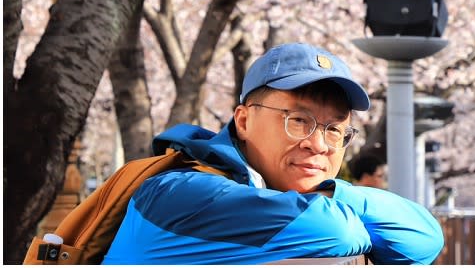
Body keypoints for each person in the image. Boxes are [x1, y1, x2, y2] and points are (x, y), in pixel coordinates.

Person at [102, 42, 444, 264]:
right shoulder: (175, 193)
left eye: (334, 130)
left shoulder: (287, 195)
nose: (319, 144)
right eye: (298, 121)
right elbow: (337, 231)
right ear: (244, 120)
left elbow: (423, 238)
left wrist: (329, 189)